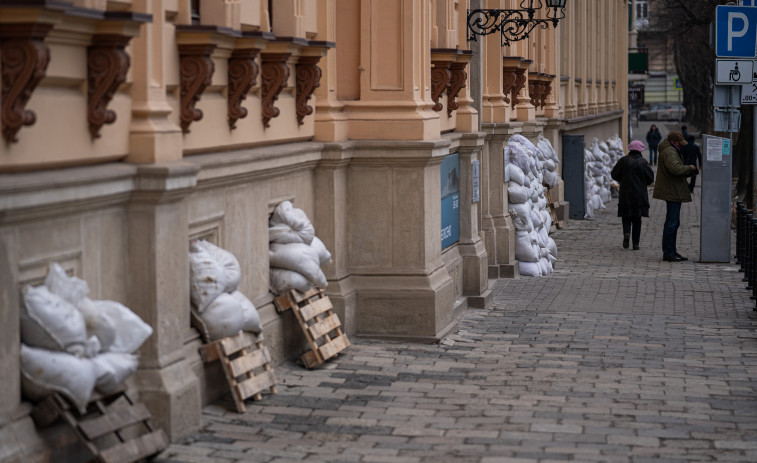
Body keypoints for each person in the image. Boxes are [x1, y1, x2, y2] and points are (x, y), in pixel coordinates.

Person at [652, 131, 698, 262]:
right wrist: (689, 167)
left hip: (673, 190)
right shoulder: (670, 152)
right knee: (671, 224)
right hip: (672, 191)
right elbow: (675, 169)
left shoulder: (670, 150)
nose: (682, 146)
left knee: (674, 223)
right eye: (680, 143)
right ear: (674, 142)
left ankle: (672, 251)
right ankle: (668, 253)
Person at [611, 140, 655, 250]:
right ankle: (636, 244)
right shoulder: (643, 162)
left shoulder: (623, 161)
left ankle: (626, 233)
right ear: (641, 150)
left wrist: (623, 179)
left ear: (630, 149)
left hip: (625, 193)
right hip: (639, 195)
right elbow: (650, 179)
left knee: (626, 217)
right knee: (637, 219)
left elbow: (614, 174)